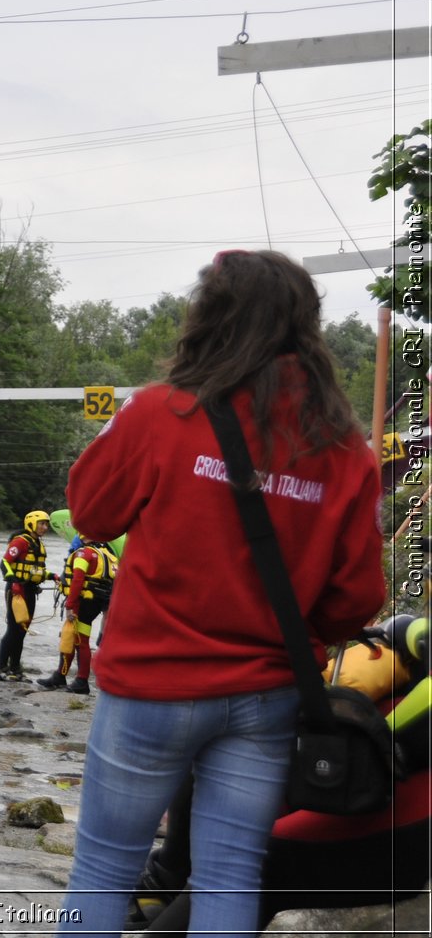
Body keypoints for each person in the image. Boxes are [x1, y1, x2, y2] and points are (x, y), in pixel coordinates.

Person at [56, 249, 386, 938]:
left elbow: (90, 512)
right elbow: (358, 597)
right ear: (308, 328)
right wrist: (291, 624)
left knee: (104, 868)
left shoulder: (158, 413)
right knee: (230, 875)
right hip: (265, 698)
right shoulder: (346, 448)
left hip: (149, 686)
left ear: (208, 319)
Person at [131, 614, 430, 936]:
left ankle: (166, 889)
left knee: (254, 862)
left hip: (405, 804)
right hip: (388, 779)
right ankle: (164, 883)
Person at [36, 534, 116, 694]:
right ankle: (61, 676)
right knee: (75, 638)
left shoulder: (83, 553)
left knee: (79, 640)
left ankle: (81, 681)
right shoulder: (108, 554)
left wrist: (70, 605)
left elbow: (78, 580)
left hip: (83, 602)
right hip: (98, 602)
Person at [0, 509, 51, 682]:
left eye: (46, 524)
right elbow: (4, 562)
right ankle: (0, 668)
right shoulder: (20, 541)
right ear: (31, 524)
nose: (45, 527)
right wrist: (13, 580)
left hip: (30, 591)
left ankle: (15, 669)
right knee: (13, 630)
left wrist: (52, 577)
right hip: (16, 591)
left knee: (22, 631)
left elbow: (35, 569)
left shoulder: (37, 544)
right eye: (42, 523)